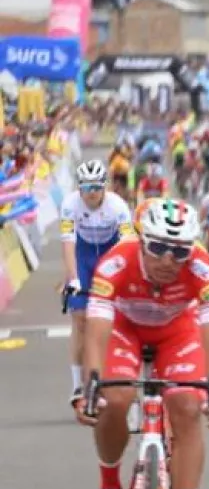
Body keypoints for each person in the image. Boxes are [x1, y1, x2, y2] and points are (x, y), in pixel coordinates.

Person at [74, 198, 209, 489]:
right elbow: (95, 334)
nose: (168, 259)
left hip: (177, 332)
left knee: (188, 407)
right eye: (158, 247)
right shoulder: (115, 262)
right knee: (115, 397)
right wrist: (89, 387)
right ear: (142, 240)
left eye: (179, 251)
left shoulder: (204, 269)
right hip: (124, 329)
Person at [60, 160, 134, 404]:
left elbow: (127, 247)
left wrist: (125, 281)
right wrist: (73, 279)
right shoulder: (70, 205)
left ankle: (108, 374)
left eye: (96, 187)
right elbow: (68, 245)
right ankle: (77, 385)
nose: (91, 193)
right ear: (79, 188)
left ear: (105, 187)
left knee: (113, 321)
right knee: (80, 320)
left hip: (110, 254)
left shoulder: (118, 207)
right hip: (83, 257)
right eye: (86, 187)